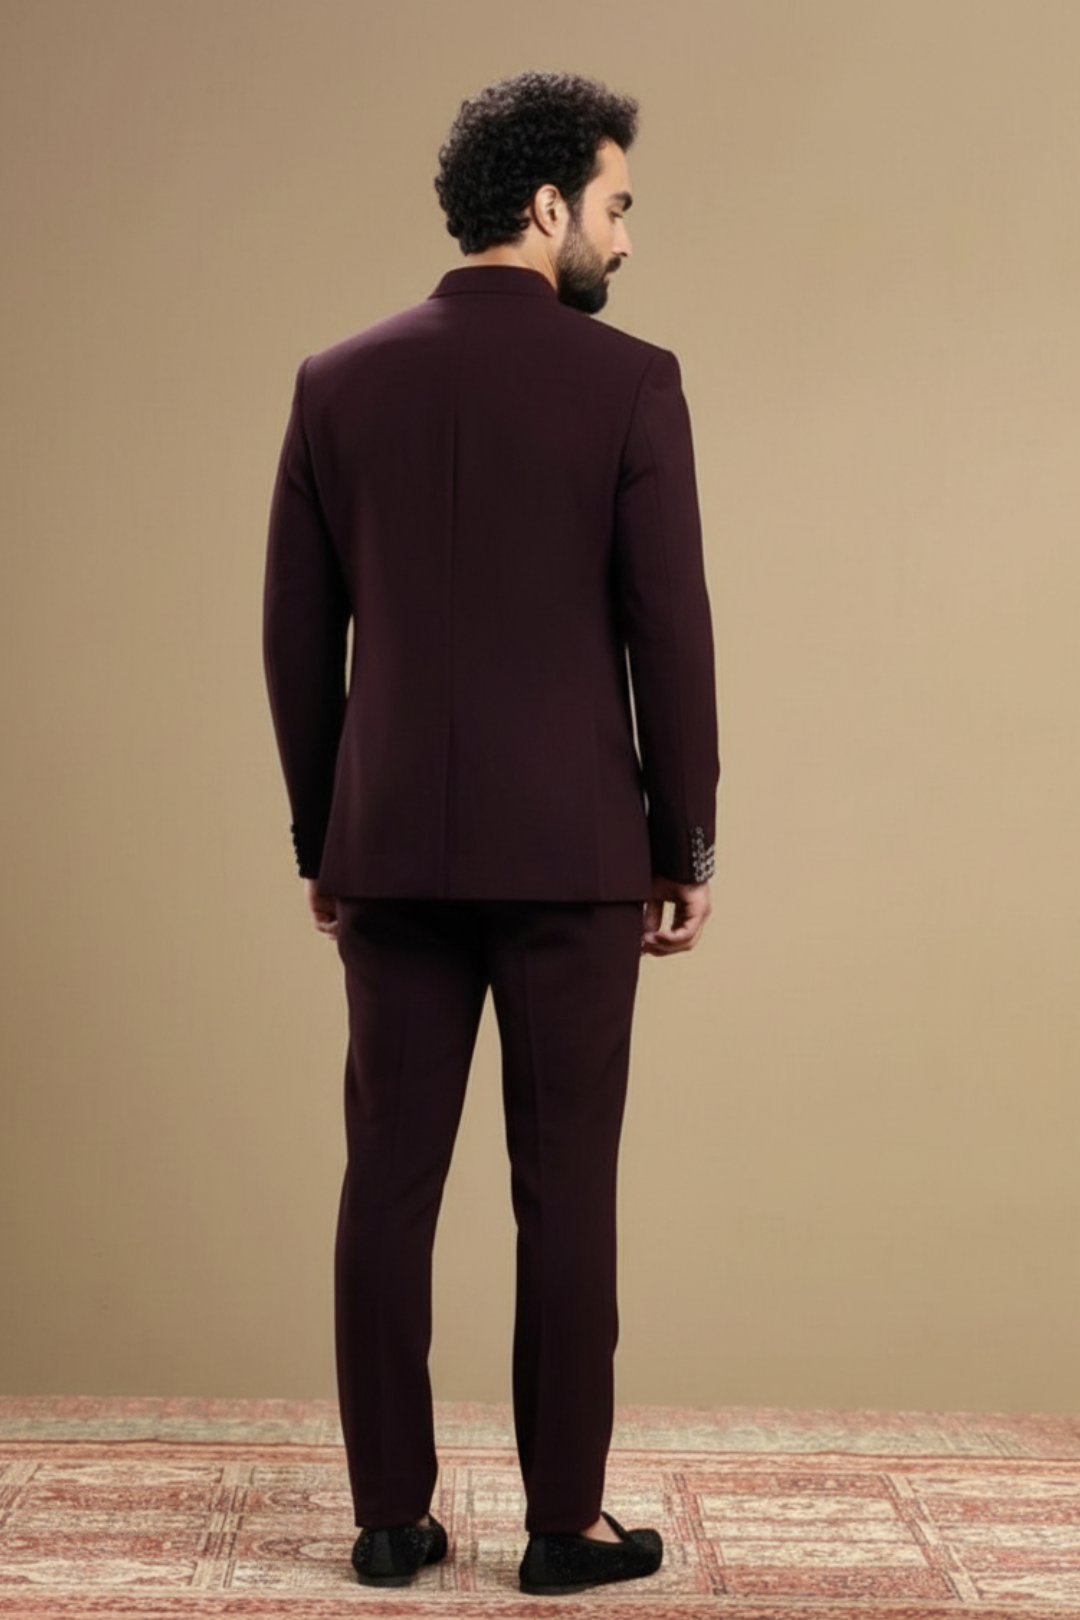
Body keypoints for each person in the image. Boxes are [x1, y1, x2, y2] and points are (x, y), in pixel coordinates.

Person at [262, 68, 720, 1598]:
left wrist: (323, 833)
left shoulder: (336, 381)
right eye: (616, 206)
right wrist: (686, 842)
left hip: (389, 847)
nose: (626, 240)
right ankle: (564, 1527)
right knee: (565, 1188)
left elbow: (295, 637)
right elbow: (672, 635)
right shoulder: (632, 383)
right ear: (545, 205)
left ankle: (388, 1520)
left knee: (386, 1180)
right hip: (576, 856)